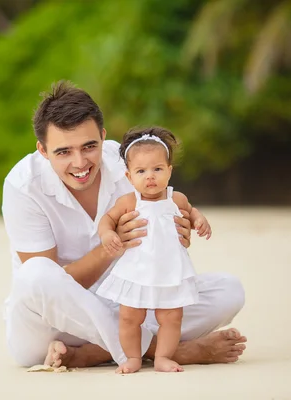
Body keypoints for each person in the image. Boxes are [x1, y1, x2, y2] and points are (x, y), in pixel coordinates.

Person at [1, 80, 246, 370]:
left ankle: (95, 353)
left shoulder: (130, 163)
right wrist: (111, 247)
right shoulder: (23, 185)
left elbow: (165, 218)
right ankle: (165, 351)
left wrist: (176, 236)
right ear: (42, 150)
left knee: (228, 290)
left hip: (127, 304)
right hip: (49, 327)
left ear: (103, 137)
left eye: (89, 146)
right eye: (63, 152)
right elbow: (49, 285)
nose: (80, 163)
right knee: (35, 274)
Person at [96, 126, 212, 374]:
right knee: (129, 318)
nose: (150, 177)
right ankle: (133, 358)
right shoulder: (128, 201)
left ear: (169, 171)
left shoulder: (176, 199)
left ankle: (163, 357)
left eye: (157, 169)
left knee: (171, 317)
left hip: (169, 269)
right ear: (129, 177)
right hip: (137, 269)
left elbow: (191, 213)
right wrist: (108, 234)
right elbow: (107, 220)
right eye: (141, 171)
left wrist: (199, 220)